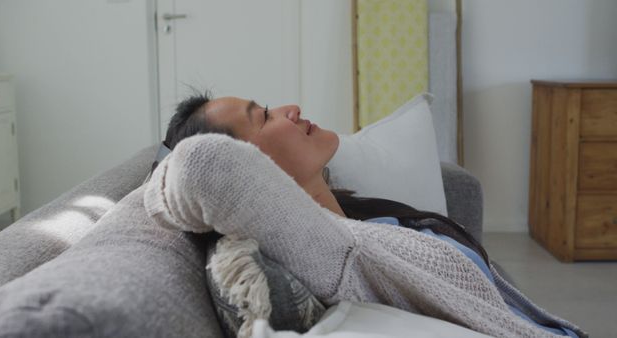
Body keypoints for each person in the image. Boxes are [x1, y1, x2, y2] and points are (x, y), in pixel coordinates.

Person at [145, 91, 586, 338]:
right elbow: (199, 167)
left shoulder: (360, 222)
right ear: (245, 166)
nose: (291, 108)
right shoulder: (336, 255)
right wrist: (160, 167)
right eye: (263, 116)